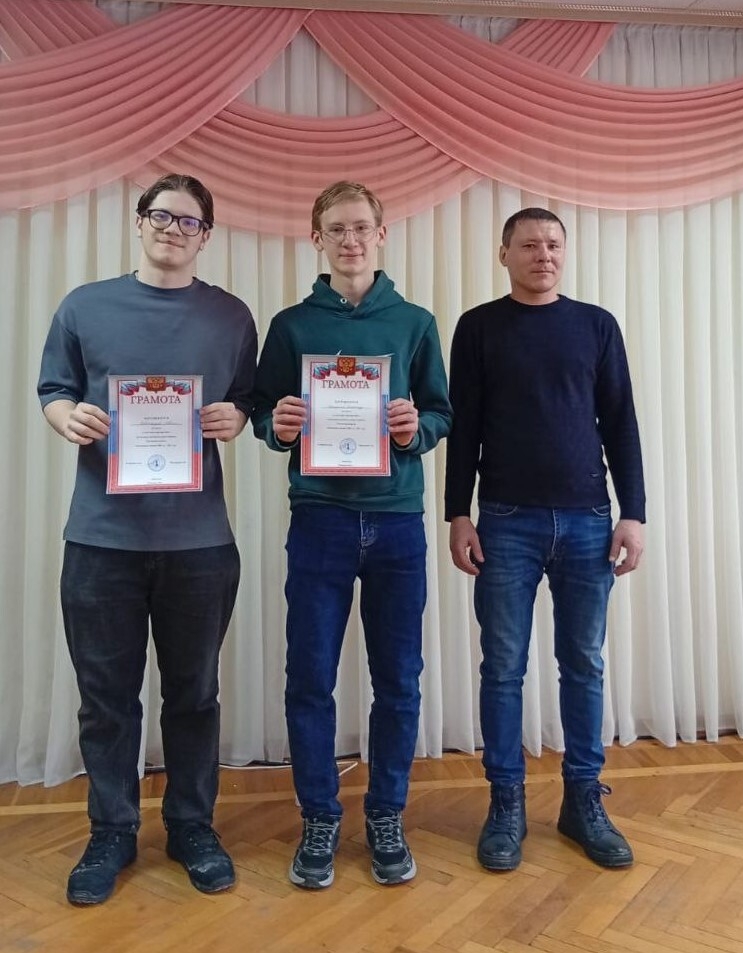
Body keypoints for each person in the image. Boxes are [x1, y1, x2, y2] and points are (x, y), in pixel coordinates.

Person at [37, 173, 258, 905]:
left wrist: (235, 418)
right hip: (101, 540)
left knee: (194, 695)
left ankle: (192, 826)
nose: (173, 228)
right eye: (161, 215)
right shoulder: (84, 306)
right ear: (139, 222)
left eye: (189, 221)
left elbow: (246, 401)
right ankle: (112, 830)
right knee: (106, 699)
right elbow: (53, 390)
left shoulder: (231, 316)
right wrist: (66, 417)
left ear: (206, 236)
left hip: (199, 543)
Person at [252, 181, 451, 890]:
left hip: (397, 522)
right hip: (320, 521)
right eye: (336, 228)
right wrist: (277, 427)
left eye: (361, 226)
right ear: (317, 238)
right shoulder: (291, 326)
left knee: (398, 679)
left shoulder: (416, 322)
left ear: (381, 234)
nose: (350, 239)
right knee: (309, 677)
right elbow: (263, 414)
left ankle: (387, 813)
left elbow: (441, 412)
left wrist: (415, 429)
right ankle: (319, 816)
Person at [445, 207, 645, 873]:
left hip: (589, 519)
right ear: (504, 253)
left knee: (583, 663)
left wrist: (634, 513)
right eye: (529, 244)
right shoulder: (478, 327)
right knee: (502, 667)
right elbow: (464, 426)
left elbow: (620, 422)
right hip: (504, 521)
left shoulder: (596, 325)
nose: (543, 254)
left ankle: (583, 801)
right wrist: (457, 513)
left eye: (553, 244)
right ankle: (506, 803)